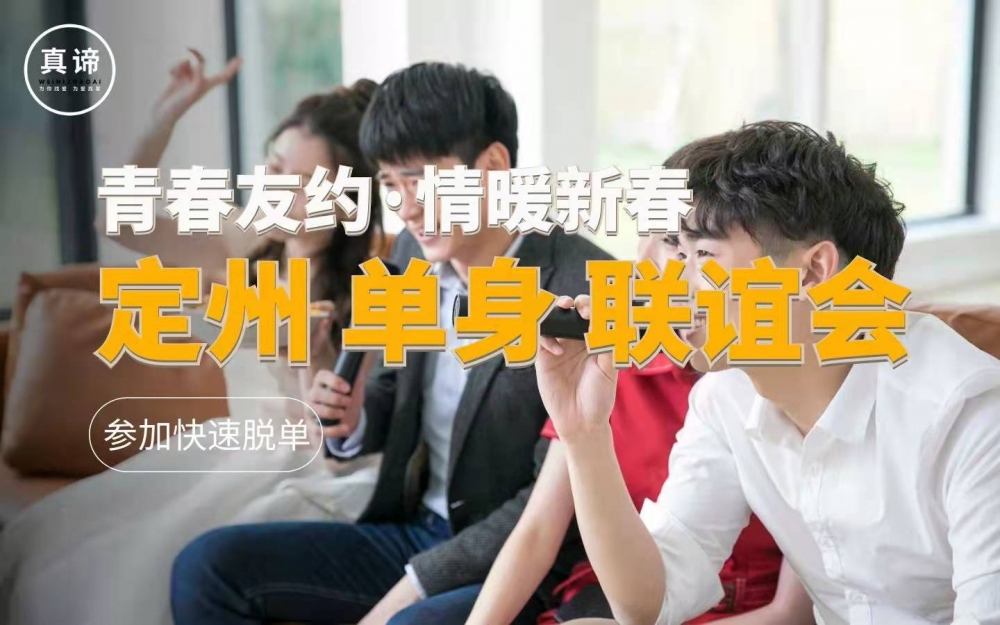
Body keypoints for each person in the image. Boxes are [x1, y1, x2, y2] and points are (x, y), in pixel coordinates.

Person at [169, 61, 614, 625]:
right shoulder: (410, 254)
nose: (406, 207)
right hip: (415, 531)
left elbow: (552, 502)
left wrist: (415, 584)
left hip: (528, 564)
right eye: (390, 184)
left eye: (420, 180)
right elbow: (388, 393)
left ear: (493, 166)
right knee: (208, 567)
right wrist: (354, 419)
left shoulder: (583, 288)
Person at [534, 121, 1000, 624]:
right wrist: (584, 432)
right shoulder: (725, 397)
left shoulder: (970, 416)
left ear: (813, 271)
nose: (671, 285)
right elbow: (650, 601)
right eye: (678, 253)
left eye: (703, 255)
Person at [0, 52, 387, 625]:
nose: (273, 190)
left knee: (153, 569)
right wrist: (166, 117)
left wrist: (308, 356)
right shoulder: (246, 242)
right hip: (237, 449)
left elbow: (339, 439)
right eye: (273, 167)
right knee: (54, 545)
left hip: (313, 472)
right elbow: (118, 219)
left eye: (301, 183)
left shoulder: (375, 285)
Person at [465, 233, 815, 624]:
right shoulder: (617, 367)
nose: (640, 265)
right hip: (623, 599)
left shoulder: (780, 388)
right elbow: (539, 530)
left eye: (677, 245)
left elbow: (793, 612)